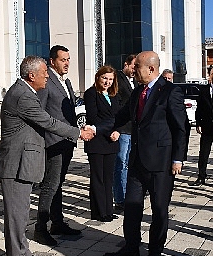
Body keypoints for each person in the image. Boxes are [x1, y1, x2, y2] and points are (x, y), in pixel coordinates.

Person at [0, 56, 94, 256]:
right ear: (31, 75)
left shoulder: (26, 92)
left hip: (22, 162)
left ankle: (24, 253)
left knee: (21, 213)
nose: (47, 76)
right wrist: (78, 133)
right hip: (15, 163)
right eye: (44, 73)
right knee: (16, 215)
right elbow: (47, 121)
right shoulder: (23, 95)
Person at [103, 51, 187, 256]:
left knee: (159, 209)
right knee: (131, 207)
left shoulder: (170, 91)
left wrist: (178, 159)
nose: (133, 71)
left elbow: (180, 128)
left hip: (161, 163)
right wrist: (96, 127)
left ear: (151, 69)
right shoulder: (138, 91)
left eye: (137, 66)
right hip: (137, 161)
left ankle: (155, 252)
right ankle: (131, 248)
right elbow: (121, 117)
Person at [35, 45, 82, 245]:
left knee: (59, 184)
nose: (67, 63)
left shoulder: (66, 81)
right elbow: (41, 113)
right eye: (63, 59)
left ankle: (57, 222)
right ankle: (40, 228)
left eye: (68, 59)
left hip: (66, 141)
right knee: (50, 185)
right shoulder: (47, 82)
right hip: (53, 142)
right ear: (52, 61)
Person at [84, 66, 122, 221]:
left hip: (112, 141)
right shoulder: (91, 94)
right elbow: (94, 118)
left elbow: (119, 116)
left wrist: (117, 130)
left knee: (108, 178)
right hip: (97, 141)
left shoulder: (114, 95)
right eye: (104, 78)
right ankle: (100, 212)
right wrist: (109, 130)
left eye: (111, 79)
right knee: (98, 177)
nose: (107, 82)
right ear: (98, 77)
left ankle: (108, 209)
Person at [191, 66, 213, 188]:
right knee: (203, 154)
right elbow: (199, 108)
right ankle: (201, 176)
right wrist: (198, 123)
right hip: (206, 127)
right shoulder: (204, 90)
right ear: (209, 76)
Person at [113, 54, 137, 212]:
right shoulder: (118, 78)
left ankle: (128, 195)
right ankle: (120, 198)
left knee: (128, 163)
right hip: (122, 129)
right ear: (126, 64)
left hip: (132, 129)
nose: (135, 70)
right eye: (134, 66)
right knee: (121, 164)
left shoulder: (134, 81)